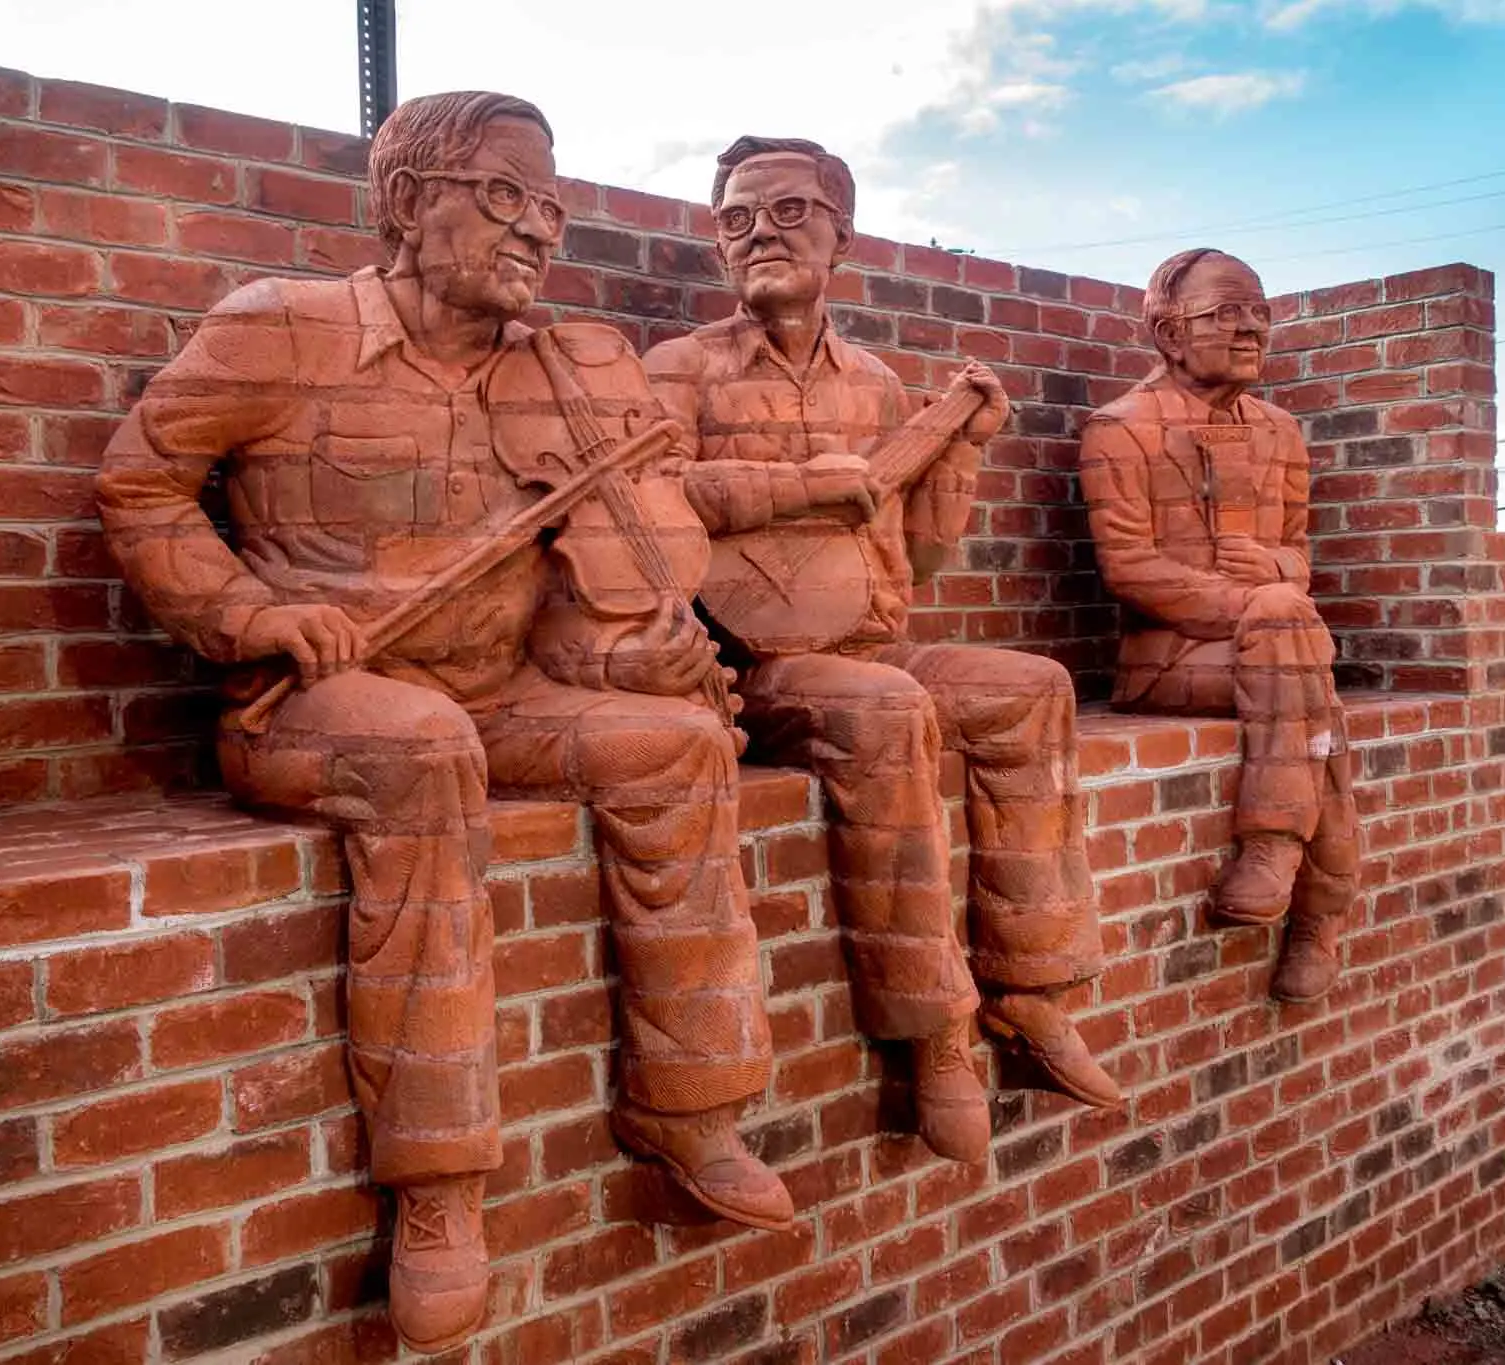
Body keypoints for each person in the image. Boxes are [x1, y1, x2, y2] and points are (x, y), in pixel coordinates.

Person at [97, 92, 790, 1355]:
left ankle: (691, 1107)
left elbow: (588, 598)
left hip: (498, 693)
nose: (539, 233)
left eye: (554, 209)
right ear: (412, 201)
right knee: (423, 754)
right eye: (507, 198)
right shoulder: (280, 333)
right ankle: (438, 1183)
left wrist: (633, 650)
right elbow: (139, 485)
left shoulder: (561, 375)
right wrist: (248, 611)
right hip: (316, 703)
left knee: (678, 746)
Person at [642, 136, 1122, 1167]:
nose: (759, 232)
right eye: (735, 217)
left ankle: (1031, 987)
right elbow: (643, 508)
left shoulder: (877, 383)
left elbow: (921, 555)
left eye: (788, 211)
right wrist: (800, 484)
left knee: (1033, 688)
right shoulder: (677, 371)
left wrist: (963, 450)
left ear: (841, 237)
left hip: (870, 635)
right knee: (884, 711)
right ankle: (935, 1032)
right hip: (747, 663)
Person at [1078, 247, 1362, 1003]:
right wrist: (1262, 601)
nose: (1249, 331)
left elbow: (1296, 558)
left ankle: (1275, 848)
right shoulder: (1120, 428)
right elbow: (1129, 568)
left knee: (1300, 677)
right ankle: (1319, 913)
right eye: (1224, 314)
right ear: (1169, 334)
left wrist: (1274, 573)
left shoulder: (1280, 432)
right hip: (1172, 661)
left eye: (1259, 313)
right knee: (1299, 662)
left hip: (1275, 656)